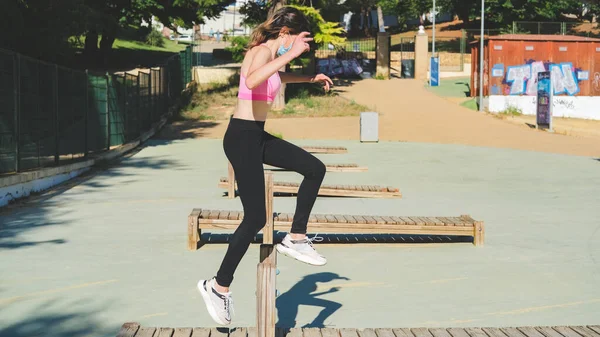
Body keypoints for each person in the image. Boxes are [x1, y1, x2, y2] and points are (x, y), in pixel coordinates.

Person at [197, 6, 334, 326]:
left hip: (257, 137)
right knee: (256, 216)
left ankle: (297, 236)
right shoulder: (259, 52)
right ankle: (218, 285)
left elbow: (276, 76)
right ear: (285, 34)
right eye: (301, 40)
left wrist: (309, 76)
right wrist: (289, 55)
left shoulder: (273, 59)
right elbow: (252, 77)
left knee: (315, 168)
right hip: (241, 137)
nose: (303, 47)